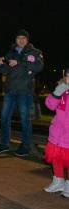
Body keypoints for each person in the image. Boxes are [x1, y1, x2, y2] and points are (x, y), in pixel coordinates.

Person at [0, 29, 44, 156]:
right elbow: (5, 70)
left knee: (25, 119)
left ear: (27, 40)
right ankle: (5, 144)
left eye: (24, 38)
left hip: (25, 91)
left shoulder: (34, 52)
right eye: (18, 38)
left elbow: (39, 66)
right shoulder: (11, 53)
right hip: (10, 91)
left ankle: (25, 146)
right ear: (15, 40)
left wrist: (19, 63)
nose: (21, 40)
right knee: (5, 118)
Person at [43, 68, 69, 197]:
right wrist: (59, 90)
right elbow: (50, 105)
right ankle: (58, 181)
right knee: (56, 157)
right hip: (57, 132)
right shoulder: (62, 89)